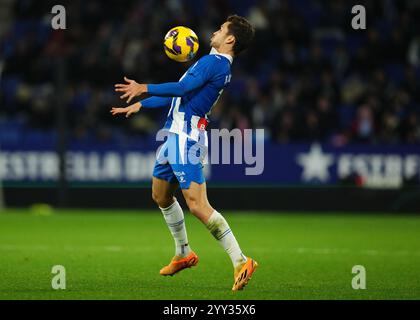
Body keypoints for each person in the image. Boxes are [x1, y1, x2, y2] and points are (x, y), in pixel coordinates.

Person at [111, 15, 257, 291]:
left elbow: (181, 88)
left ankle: (241, 260)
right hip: (173, 136)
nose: (214, 31)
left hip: (186, 139)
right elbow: (179, 95)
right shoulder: (211, 62)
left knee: (198, 206)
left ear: (230, 39)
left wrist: (144, 87)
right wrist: (142, 104)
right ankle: (183, 253)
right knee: (161, 195)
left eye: (220, 29)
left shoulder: (215, 63)